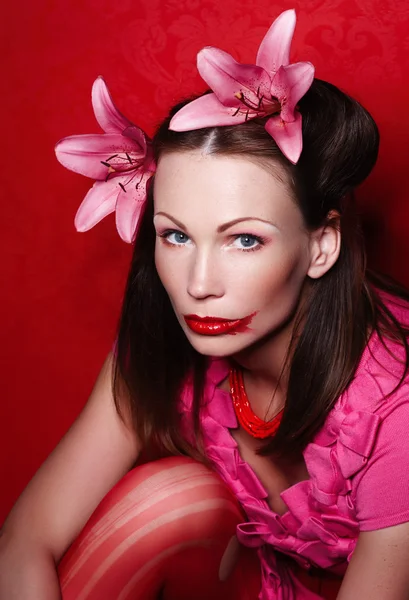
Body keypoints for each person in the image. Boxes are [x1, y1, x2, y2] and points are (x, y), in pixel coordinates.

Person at [1, 8, 409, 600]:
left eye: (244, 239)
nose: (198, 284)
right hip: (266, 585)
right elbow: (24, 540)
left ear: (321, 245)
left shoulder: (395, 404)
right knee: (169, 498)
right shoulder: (165, 344)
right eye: (175, 235)